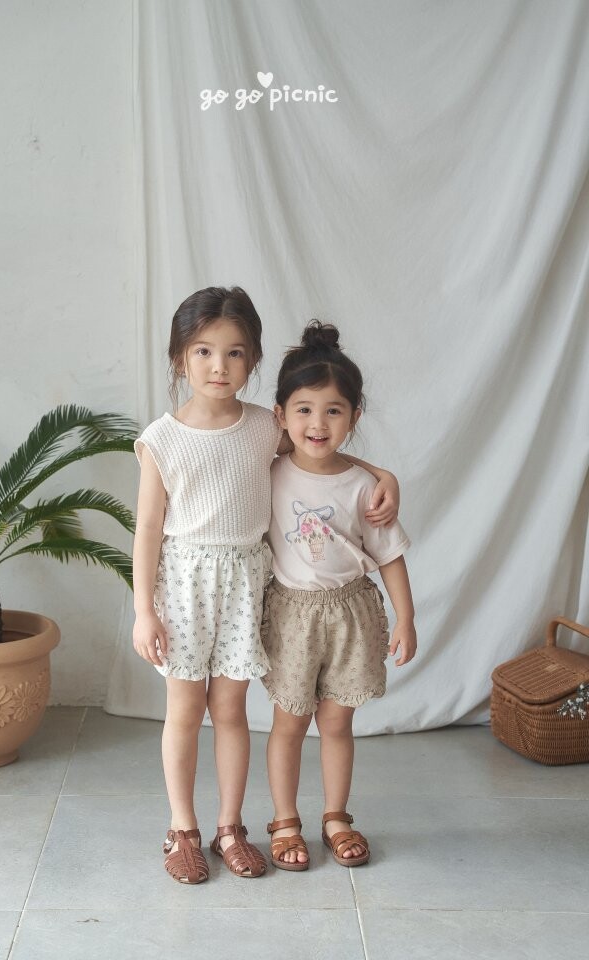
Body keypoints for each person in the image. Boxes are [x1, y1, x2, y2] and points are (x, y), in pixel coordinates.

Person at [132, 287, 400, 884]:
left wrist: (384, 474)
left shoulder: (261, 426)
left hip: (244, 581)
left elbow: (320, 454)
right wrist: (143, 610)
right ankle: (182, 828)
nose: (218, 366)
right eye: (203, 351)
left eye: (234, 352)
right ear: (180, 357)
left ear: (252, 359)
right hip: (184, 584)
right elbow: (147, 528)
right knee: (185, 708)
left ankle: (230, 827)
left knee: (230, 708)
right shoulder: (161, 439)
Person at [262, 321, 417, 872]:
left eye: (333, 411)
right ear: (281, 415)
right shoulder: (269, 471)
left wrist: (406, 618)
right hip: (291, 615)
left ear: (354, 417)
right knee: (289, 723)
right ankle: (284, 820)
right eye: (303, 409)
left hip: (352, 613)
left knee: (336, 724)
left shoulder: (364, 488)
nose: (317, 423)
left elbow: (390, 555)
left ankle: (336, 817)